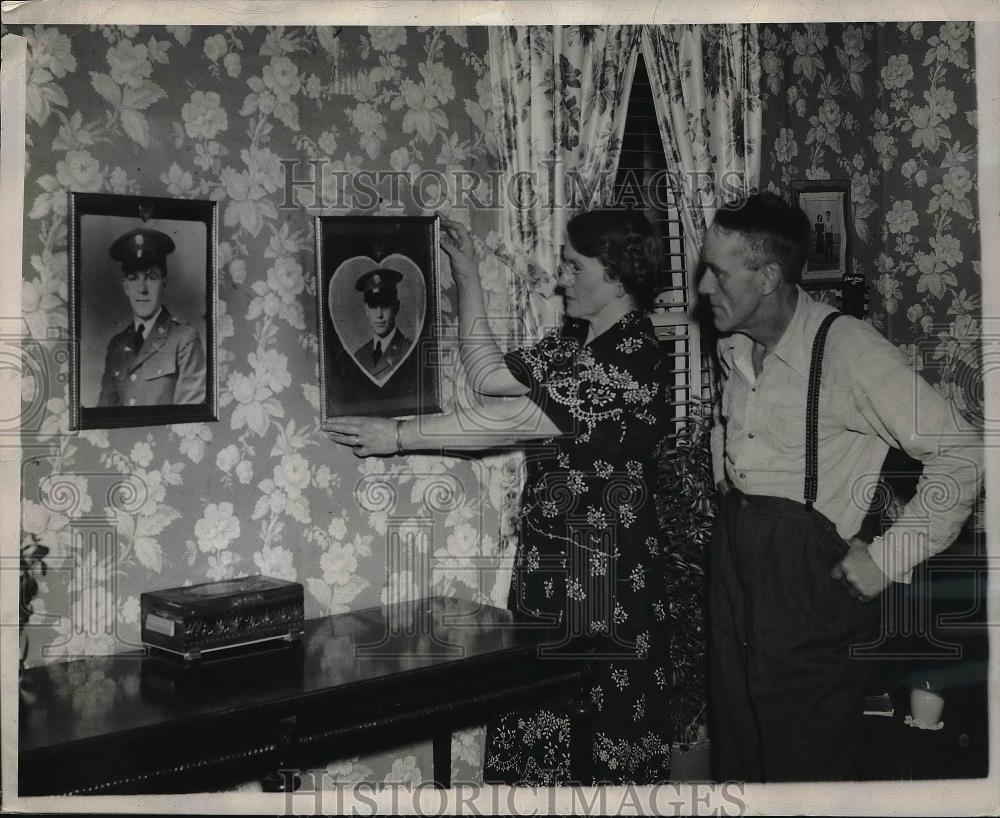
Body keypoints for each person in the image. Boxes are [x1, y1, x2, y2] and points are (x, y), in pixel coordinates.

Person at [327, 209, 675, 785]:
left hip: (607, 579)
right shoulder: (574, 341)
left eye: (573, 266)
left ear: (616, 276)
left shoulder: (633, 355)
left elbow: (516, 419)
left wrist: (397, 436)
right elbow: (488, 375)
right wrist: (467, 275)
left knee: (599, 746)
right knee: (540, 736)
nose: (561, 279)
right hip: (550, 568)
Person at [699, 192, 982, 782]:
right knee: (740, 757)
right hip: (736, 575)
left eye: (718, 273)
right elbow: (734, 436)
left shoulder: (848, 350)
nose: (702, 287)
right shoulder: (734, 344)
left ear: (769, 275)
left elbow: (962, 454)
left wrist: (889, 557)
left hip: (808, 595)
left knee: (805, 769)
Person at [97, 227, 207, 407]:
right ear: (125, 287)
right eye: (133, 278)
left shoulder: (185, 340)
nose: (142, 289)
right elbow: (104, 415)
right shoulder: (116, 345)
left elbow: (188, 419)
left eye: (151, 277)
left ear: (164, 283)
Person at [352, 267, 414, 379]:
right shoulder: (358, 356)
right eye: (373, 305)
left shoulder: (411, 351)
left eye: (385, 305)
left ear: (396, 307)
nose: (379, 315)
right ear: (366, 310)